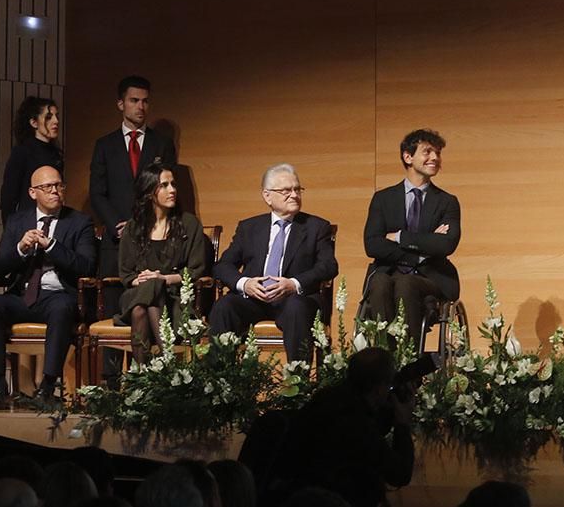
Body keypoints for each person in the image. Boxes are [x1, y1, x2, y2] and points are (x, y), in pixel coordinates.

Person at [0, 166, 96, 408]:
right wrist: (20, 248)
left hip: (57, 295)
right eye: (47, 187)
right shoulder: (17, 221)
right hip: (21, 295)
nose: (55, 191)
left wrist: (52, 246)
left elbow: (86, 266)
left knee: (63, 307)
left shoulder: (79, 222)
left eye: (58, 186)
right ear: (33, 193)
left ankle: (47, 386)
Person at [89, 76, 176, 383]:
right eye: (134, 101)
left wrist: (144, 223)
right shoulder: (105, 145)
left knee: (150, 298)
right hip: (117, 238)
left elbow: (164, 187)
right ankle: (111, 379)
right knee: (116, 300)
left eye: (145, 101)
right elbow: (97, 193)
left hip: (152, 237)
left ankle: (155, 377)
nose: (141, 107)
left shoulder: (160, 143)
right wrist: (120, 225)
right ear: (120, 104)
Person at [210, 163, 338, 362]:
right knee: (224, 306)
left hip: (295, 300)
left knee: (296, 307)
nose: (294, 195)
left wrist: (293, 284)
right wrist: (245, 284)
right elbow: (222, 266)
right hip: (254, 299)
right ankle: (221, 383)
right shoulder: (249, 227)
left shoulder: (316, 227)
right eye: (286, 190)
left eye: (297, 189)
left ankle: (297, 383)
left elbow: (328, 266)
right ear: (267, 196)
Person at [363, 129, 461, 348]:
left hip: (430, 277)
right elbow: (373, 245)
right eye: (427, 152)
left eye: (437, 153)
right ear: (408, 157)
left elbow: (446, 244)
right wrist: (422, 248)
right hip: (389, 273)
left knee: (405, 283)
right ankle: (385, 356)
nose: (435, 158)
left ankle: (408, 363)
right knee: (379, 282)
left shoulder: (447, 202)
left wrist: (399, 237)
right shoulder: (383, 199)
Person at [282, 347, 415, 489]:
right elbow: (399, 474)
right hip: (334, 501)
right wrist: (402, 424)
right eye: (388, 384)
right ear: (379, 388)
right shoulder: (357, 423)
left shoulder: (327, 398)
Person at [115, 163, 207, 362]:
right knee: (148, 292)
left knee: (142, 308)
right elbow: (126, 274)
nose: (172, 190)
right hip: (136, 294)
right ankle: (167, 368)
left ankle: (141, 377)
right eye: (164, 185)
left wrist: (163, 279)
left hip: (175, 299)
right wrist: (145, 282)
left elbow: (196, 270)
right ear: (149, 192)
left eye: (173, 184)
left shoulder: (189, 224)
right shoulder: (133, 228)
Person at [0, 96, 64, 224]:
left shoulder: (56, 154)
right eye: (48, 117)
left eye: (56, 116)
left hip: (55, 221)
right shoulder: (22, 152)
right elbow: (9, 197)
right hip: (27, 223)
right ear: (34, 123)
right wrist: (12, 231)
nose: (56, 121)